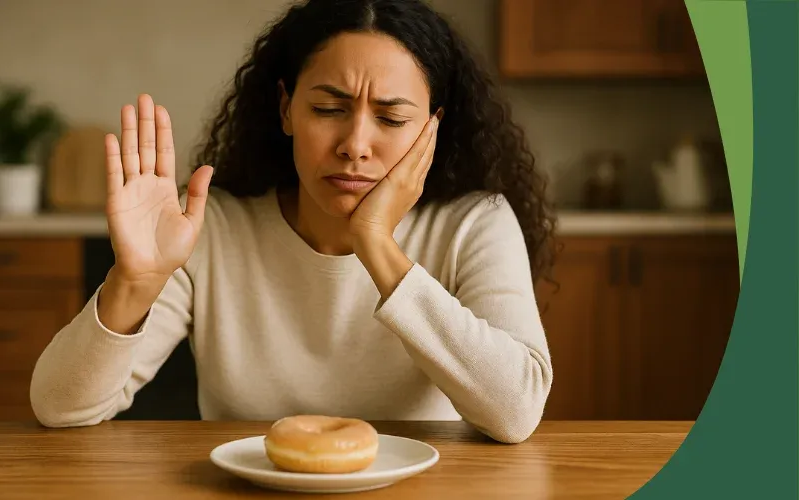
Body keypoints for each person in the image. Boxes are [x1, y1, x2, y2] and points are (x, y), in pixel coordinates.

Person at [29, 0, 557, 444]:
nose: (355, 145)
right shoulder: (214, 230)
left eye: (392, 119)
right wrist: (134, 282)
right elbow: (60, 408)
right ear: (286, 109)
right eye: (329, 109)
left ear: (432, 129)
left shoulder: (474, 223)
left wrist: (374, 243)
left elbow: (516, 412)